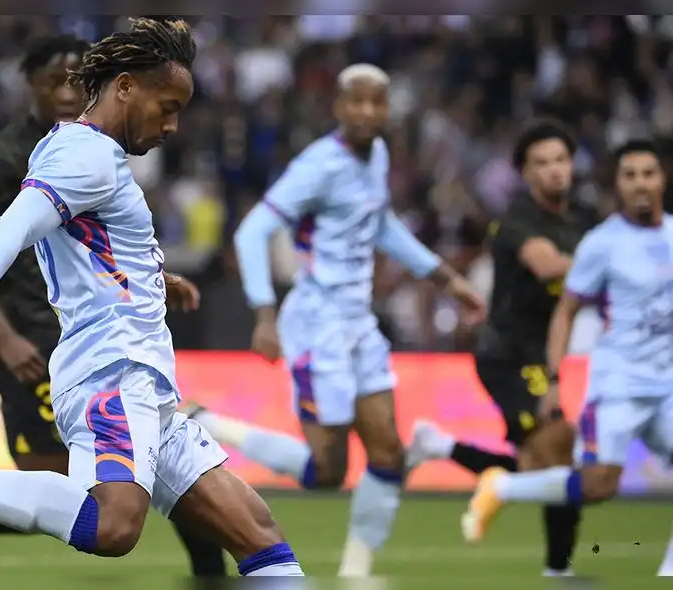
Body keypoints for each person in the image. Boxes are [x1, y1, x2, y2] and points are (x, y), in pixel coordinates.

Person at [0, 18, 304, 577]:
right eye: (166, 106)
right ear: (125, 87)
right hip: (110, 371)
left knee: (261, 540)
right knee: (113, 527)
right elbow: (10, 226)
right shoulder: (86, 155)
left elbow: (88, 245)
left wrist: (153, 277)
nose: (172, 125)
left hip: (146, 384)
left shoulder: (90, 155)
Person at [182, 63, 487, 577]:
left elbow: (381, 224)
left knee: (388, 452)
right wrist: (264, 313)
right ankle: (208, 423)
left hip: (358, 322)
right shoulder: (319, 165)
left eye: (377, 102)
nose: (367, 111)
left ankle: (356, 572)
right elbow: (253, 230)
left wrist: (445, 278)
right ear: (339, 107)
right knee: (326, 470)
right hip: (317, 324)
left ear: (386, 109)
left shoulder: (378, 155)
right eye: (357, 102)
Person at [462, 138, 673, 577]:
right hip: (619, 384)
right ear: (617, 184)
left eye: (648, 174)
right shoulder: (600, 243)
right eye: (629, 175)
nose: (640, 184)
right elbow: (567, 310)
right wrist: (556, 378)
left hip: (667, 383)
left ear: (662, 179)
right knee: (597, 485)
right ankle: (504, 487)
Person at [407, 119, 599, 576]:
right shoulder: (516, 221)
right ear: (526, 173)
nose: (554, 170)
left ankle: (442, 446)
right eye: (541, 163)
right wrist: (608, 256)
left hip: (542, 354)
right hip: (506, 354)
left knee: (540, 463)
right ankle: (559, 569)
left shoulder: (581, 220)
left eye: (560, 160)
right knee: (557, 447)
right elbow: (548, 265)